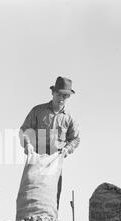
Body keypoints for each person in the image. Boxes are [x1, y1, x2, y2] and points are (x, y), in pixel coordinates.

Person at [19, 76, 80, 209]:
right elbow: (25, 130)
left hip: (55, 160)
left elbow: (75, 138)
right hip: (37, 158)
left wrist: (67, 149)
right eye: (59, 95)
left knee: (53, 196)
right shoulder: (38, 111)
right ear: (53, 93)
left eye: (65, 96)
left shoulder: (69, 118)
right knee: (32, 192)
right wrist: (27, 144)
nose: (61, 98)